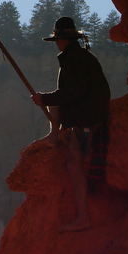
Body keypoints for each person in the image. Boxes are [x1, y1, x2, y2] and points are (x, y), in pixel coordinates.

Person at [30, 16, 110, 232]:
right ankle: (54, 133)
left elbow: (72, 93)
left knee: (74, 165)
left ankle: (83, 217)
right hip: (87, 115)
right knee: (55, 101)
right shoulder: (79, 57)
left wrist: (44, 99)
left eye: (58, 39)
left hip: (86, 120)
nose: (57, 43)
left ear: (64, 39)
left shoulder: (73, 60)